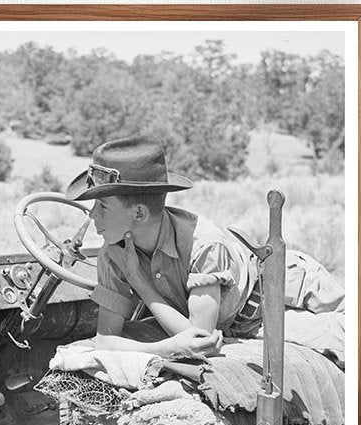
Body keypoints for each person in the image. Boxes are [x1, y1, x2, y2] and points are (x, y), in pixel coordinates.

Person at [65, 136, 346, 364]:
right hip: (236, 325)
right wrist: (163, 350)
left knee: (354, 345)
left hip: (284, 292)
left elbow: (199, 338)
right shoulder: (114, 253)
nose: (92, 216)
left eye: (102, 206)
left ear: (138, 213)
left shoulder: (204, 244)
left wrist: (139, 282)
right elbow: (106, 339)